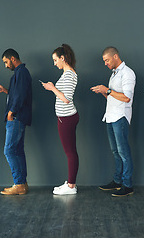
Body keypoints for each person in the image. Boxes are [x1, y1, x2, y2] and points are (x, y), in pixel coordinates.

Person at [91, 46, 136, 197]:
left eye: (107, 60)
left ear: (115, 56)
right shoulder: (114, 74)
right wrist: (103, 92)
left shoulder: (127, 73)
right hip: (110, 116)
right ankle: (117, 181)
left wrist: (108, 90)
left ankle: (127, 185)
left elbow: (126, 98)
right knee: (115, 151)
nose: (105, 63)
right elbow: (113, 96)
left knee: (123, 152)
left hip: (120, 117)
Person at [41, 44, 80, 195]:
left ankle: (71, 186)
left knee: (70, 152)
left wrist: (52, 88)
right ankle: (70, 183)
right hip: (65, 118)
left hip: (67, 118)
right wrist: (52, 88)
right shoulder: (66, 74)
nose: (54, 63)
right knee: (70, 151)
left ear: (62, 58)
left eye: (55, 60)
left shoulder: (70, 74)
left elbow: (66, 99)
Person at [0, 48, 32, 195]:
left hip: (16, 117)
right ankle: (22, 184)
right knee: (17, 150)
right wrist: (6, 91)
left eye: (6, 62)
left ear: (13, 59)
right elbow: (18, 93)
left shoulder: (21, 73)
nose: (5, 65)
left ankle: (19, 184)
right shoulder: (20, 73)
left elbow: (21, 96)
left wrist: (11, 112)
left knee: (9, 150)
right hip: (18, 116)